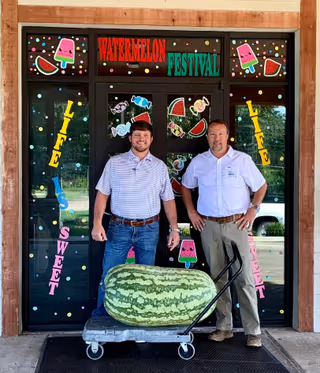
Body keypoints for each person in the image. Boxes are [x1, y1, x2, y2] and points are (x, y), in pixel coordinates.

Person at [181, 120, 267, 348]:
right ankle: (224, 327)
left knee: (244, 278)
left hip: (236, 224)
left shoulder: (242, 160)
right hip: (208, 226)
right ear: (207, 137)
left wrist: (253, 209)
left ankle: (253, 331)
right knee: (217, 278)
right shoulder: (199, 162)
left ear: (227, 135)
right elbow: (185, 186)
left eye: (220, 134)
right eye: (212, 134)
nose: (216, 138)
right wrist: (191, 212)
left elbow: (261, 186)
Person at [91, 120, 180, 317]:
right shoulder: (115, 163)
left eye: (145, 136)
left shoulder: (159, 167)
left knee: (146, 278)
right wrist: (97, 224)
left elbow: (168, 200)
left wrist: (174, 228)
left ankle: (143, 319)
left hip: (149, 229)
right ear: (130, 138)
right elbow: (102, 195)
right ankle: (102, 319)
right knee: (110, 275)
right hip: (119, 227)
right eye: (137, 135)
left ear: (151, 139)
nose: (141, 139)